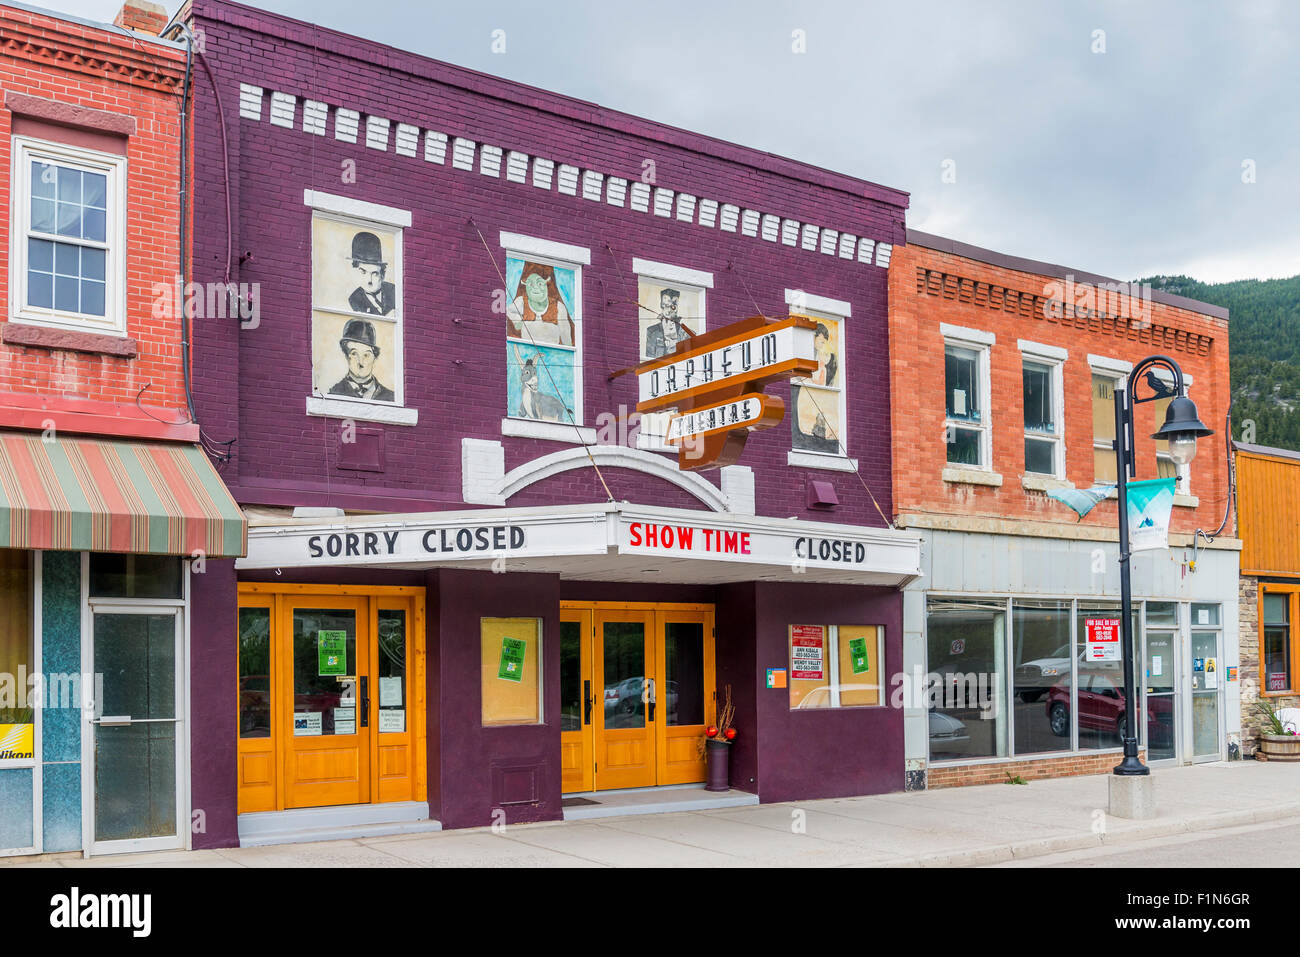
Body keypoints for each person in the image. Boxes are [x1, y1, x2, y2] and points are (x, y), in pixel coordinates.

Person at [328, 318, 395, 401]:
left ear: (374, 357)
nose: (361, 362)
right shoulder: (333, 393)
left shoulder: (390, 397)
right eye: (354, 354)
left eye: (366, 355)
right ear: (346, 356)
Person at [507, 261, 573, 346]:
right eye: (530, 283)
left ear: (548, 283)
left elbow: (566, 340)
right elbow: (508, 311)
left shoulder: (558, 307)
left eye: (540, 283)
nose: (535, 287)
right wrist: (517, 321)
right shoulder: (521, 302)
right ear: (525, 285)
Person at [347, 231, 396, 316]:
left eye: (374, 274)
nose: (369, 280)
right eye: (363, 272)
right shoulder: (355, 299)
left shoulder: (394, 291)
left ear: (383, 275)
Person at [515, 355, 569, 421]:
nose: (535, 379)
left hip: (554, 411)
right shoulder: (525, 394)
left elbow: (537, 410)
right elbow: (525, 401)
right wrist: (522, 412)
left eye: (534, 373)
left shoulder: (536, 397)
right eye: (527, 372)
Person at [643, 288, 688, 359]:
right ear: (661, 305)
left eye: (673, 306)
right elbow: (649, 359)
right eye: (666, 306)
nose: (669, 310)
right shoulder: (652, 332)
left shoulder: (687, 334)